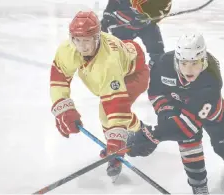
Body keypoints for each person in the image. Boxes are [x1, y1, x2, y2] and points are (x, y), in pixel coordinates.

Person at [126, 33, 224, 194]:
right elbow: (155, 93)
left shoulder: (211, 78)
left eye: (195, 63)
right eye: (184, 63)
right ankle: (199, 185)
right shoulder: (163, 64)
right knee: (189, 146)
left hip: (212, 114)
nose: (189, 69)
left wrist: (153, 134)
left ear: (203, 61)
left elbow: (188, 126)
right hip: (176, 107)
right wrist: (165, 114)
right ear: (177, 60)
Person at [49, 10, 150, 179]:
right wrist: (63, 108)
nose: (82, 46)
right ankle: (142, 130)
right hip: (122, 58)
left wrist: (115, 142)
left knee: (106, 111)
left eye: (87, 41)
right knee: (111, 111)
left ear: (97, 38)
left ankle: (118, 155)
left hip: (134, 74)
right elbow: (59, 77)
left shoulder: (109, 61)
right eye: (77, 40)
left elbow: (116, 106)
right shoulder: (68, 49)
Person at [100, 0, 172, 68]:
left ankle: (157, 69)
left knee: (158, 56)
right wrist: (107, 18)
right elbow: (110, 10)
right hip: (123, 27)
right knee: (118, 57)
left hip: (147, 27)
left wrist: (148, 17)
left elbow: (163, 9)